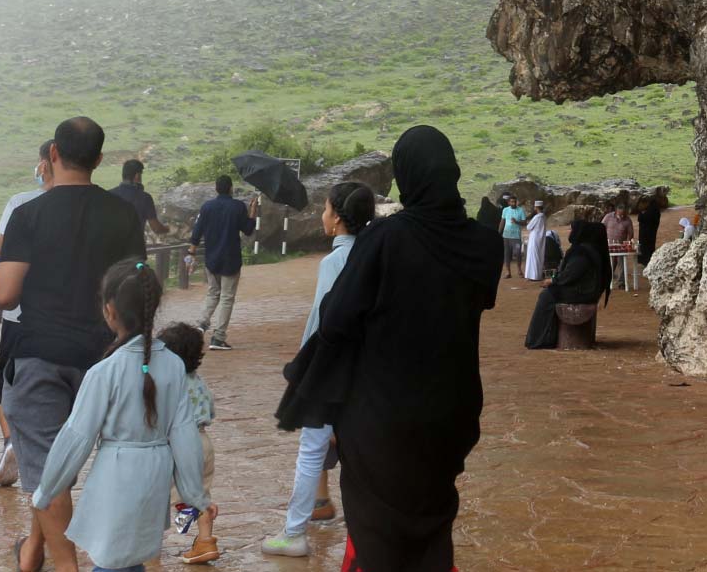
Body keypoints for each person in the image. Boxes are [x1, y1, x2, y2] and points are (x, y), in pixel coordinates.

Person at [277, 125, 502, 572]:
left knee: (380, 536)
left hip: (382, 418)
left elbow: (336, 318)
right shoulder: (484, 245)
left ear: (406, 176)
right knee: (432, 526)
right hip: (450, 416)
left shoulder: (385, 238)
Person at [0, 116, 146, 572]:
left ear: (53, 154)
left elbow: (5, 295)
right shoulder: (123, 215)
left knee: (47, 471)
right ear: (99, 159)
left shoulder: (28, 215)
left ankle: (66, 567)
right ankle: (32, 552)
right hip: (106, 357)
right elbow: (137, 288)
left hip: (41, 355)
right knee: (71, 466)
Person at [31, 258, 208, 572]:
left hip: (116, 475)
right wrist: (194, 494)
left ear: (109, 310)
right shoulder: (174, 366)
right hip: (156, 473)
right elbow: (184, 434)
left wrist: (47, 488)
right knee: (132, 556)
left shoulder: (104, 372)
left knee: (111, 559)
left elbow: (77, 437)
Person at [264, 180, 376, 558]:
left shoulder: (334, 262)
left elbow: (321, 320)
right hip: (367, 373)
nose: (322, 216)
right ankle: (368, 535)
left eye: (326, 209)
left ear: (339, 218)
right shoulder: (376, 255)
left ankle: (294, 532)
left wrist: (302, 367)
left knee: (311, 451)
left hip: (330, 371)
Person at [0, 139, 53, 488]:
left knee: (7, 383)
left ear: (45, 162)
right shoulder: (97, 206)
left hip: (20, 316)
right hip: (71, 318)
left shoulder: (20, 204)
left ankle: (11, 441)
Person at [157, 322, 222, 565]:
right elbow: (211, 412)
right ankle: (205, 541)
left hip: (180, 444)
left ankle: (152, 543)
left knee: (165, 495)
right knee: (200, 493)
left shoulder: (168, 384)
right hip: (204, 442)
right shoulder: (199, 381)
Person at [189, 175, 259, 350]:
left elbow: (197, 231)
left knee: (213, 293)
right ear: (230, 188)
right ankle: (218, 338)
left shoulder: (207, 207)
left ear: (216, 188)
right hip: (231, 259)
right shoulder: (238, 207)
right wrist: (253, 211)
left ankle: (201, 324)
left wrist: (191, 253)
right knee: (227, 297)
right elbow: (248, 230)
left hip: (211, 259)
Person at [525, 216, 610, 349]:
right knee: (549, 293)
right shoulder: (588, 249)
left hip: (583, 292)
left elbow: (570, 275)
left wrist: (553, 281)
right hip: (587, 290)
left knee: (546, 295)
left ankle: (540, 338)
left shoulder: (582, 253)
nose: (569, 232)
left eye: (571, 230)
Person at [604, 201, 636, 291]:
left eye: (623, 214)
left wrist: (629, 242)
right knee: (610, 263)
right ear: (616, 211)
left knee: (621, 263)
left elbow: (631, 233)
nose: (622, 216)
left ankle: (621, 283)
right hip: (609, 245)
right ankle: (606, 280)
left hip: (621, 246)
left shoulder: (628, 220)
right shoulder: (608, 217)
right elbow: (601, 227)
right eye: (620, 214)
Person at [498, 195, 527, 278]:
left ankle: (519, 270)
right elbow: (502, 222)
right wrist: (498, 233)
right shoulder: (505, 210)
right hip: (506, 236)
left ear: (516, 202)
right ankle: (508, 272)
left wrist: (516, 222)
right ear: (508, 202)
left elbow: (524, 223)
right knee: (507, 254)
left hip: (516, 237)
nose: (513, 203)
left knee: (518, 253)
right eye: (512, 202)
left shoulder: (521, 210)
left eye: (515, 202)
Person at [521, 199, 548, 281]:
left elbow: (528, 227)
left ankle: (533, 276)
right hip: (541, 238)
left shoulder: (537, 217)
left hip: (534, 239)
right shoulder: (544, 216)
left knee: (533, 257)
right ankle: (537, 275)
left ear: (536, 207)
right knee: (539, 256)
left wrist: (528, 221)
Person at [636, 193, 663, 269]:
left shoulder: (651, 211)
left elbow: (641, 218)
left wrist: (642, 214)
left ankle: (646, 262)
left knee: (646, 247)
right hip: (650, 232)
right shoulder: (654, 209)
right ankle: (647, 261)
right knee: (649, 247)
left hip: (647, 233)